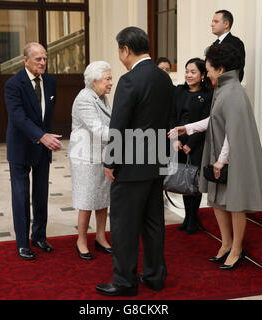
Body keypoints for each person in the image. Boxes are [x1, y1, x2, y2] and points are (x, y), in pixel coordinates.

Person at [169, 43, 262, 270]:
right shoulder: (223, 88)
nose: (206, 73)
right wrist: (187, 128)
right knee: (217, 199)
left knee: (235, 203)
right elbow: (215, 120)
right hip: (221, 153)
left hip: (231, 156)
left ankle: (237, 249)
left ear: (220, 67)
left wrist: (221, 160)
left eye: (208, 68)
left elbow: (232, 131)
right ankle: (226, 244)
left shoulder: (234, 91)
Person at [96, 27, 174, 297]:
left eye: (119, 50)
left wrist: (110, 162)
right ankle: (154, 276)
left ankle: (125, 281)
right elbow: (169, 121)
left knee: (124, 225)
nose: (120, 55)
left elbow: (119, 126)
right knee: (153, 222)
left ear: (126, 49)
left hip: (131, 166)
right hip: (156, 162)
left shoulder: (129, 81)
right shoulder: (164, 78)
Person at [5, 43, 63, 261]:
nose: (43, 63)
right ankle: (22, 243)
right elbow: (18, 116)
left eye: (45, 58)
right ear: (25, 60)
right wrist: (41, 136)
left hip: (42, 148)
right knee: (21, 196)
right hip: (21, 147)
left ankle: (39, 236)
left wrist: (45, 139)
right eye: (38, 59)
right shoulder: (13, 84)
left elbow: (45, 115)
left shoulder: (51, 82)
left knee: (41, 195)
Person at [68, 61, 113, 261]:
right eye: (108, 79)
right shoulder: (84, 99)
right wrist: (126, 136)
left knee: (103, 199)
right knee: (86, 201)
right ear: (94, 81)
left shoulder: (102, 97)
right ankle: (82, 241)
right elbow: (98, 130)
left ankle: (101, 237)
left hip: (101, 155)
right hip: (85, 156)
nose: (111, 82)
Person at [170, 58, 213, 234]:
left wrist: (191, 144)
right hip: (179, 142)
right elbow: (172, 116)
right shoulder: (179, 91)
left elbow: (206, 122)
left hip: (197, 143)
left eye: (193, 72)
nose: (188, 75)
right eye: (187, 71)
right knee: (182, 179)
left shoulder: (209, 94)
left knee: (194, 182)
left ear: (202, 75)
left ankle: (193, 219)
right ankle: (187, 217)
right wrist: (175, 139)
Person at [211, 10, 246, 82]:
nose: (212, 24)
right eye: (212, 21)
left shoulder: (235, 43)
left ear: (226, 24)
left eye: (216, 21)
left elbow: (237, 71)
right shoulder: (214, 44)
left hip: (227, 88)